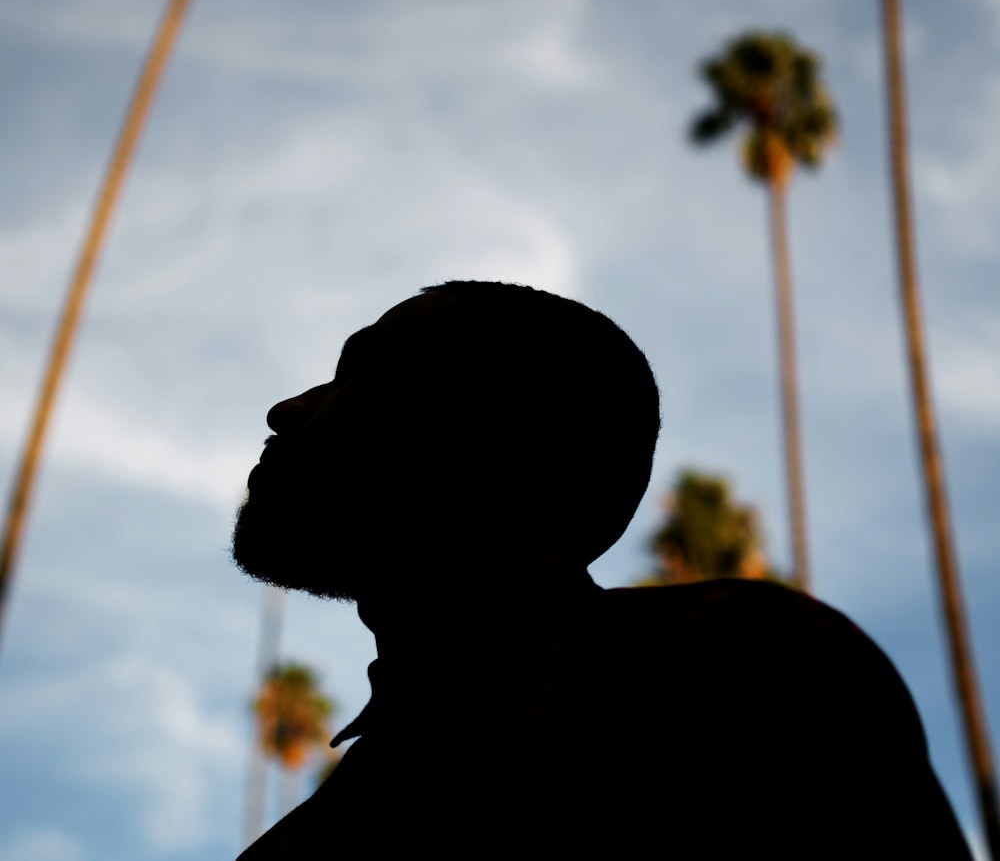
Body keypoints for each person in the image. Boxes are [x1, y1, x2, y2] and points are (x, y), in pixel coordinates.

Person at [232, 280, 972, 858]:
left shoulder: (732, 669)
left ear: (504, 433)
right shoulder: (317, 830)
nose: (286, 408)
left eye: (362, 371)